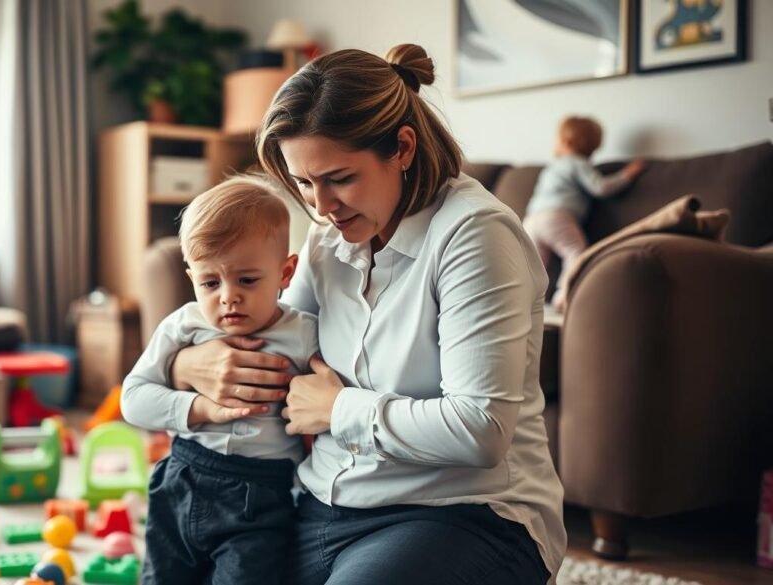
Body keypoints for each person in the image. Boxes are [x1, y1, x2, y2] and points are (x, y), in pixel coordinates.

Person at [168, 43, 566, 584]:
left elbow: (480, 430)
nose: (320, 207)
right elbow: (271, 345)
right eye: (304, 183)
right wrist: (187, 366)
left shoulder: (475, 235)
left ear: (401, 148)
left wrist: (339, 409)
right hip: (323, 503)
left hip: (463, 513)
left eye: (339, 178)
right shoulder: (328, 240)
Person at [121, 175, 320, 585]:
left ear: (286, 272)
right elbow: (134, 398)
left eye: (247, 280)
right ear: (191, 275)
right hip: (182, 478)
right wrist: (199, 408)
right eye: (210, 282)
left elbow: (328, 392)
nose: (228, 296)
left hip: (260, 495)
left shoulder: (304, 334)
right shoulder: (184, 324)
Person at [523, 115, 645, 306]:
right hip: (556, 216)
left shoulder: (552, 168)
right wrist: (626, 175)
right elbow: (600, 187)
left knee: (534, 264)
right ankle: (564, 296)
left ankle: (525, 300)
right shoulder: (579, 164)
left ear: (565, 141)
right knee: (575, 252)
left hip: (531, 219)